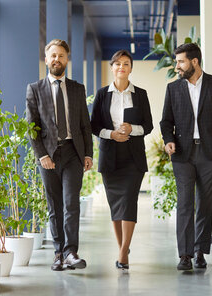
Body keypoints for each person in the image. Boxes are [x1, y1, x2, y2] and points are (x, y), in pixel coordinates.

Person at [160, 43, 212, 271]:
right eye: (176, 62)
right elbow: (166, 122)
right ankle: (184, 254)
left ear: (194, 62)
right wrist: (168, 140)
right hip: (182, 154)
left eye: (181, 61)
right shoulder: (173, 89)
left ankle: (199, 251)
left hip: (211, 153)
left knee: (205, 203)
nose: (177, 66)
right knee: (185, 203)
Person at [26, 39, 93, 271]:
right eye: (53, 55)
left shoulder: (77, 89)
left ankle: (71, 252)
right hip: (49, 157)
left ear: (67, 59)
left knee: (71, 203)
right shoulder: (35, 89)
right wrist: (41, 154)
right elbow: (32, 127)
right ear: (47, 60)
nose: (57, 59)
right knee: (54, 205)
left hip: (73, 153)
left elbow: (85, 125)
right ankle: (58, 253)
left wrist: (89, 154)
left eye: (61, 55)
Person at [90, 50, 153, 270]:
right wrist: (111, 134)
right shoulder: (102, 94)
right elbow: (94, 125)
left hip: (133, 158)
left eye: (126, 64)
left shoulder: (141, 94)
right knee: (115, 206)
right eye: (117, 64)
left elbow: (148, 125)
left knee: (128, 203)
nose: (121, 67)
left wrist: (131, 129)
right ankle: (122, 249)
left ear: (130, 68)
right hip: (110, 157)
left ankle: (123, 254)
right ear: (112, 67)